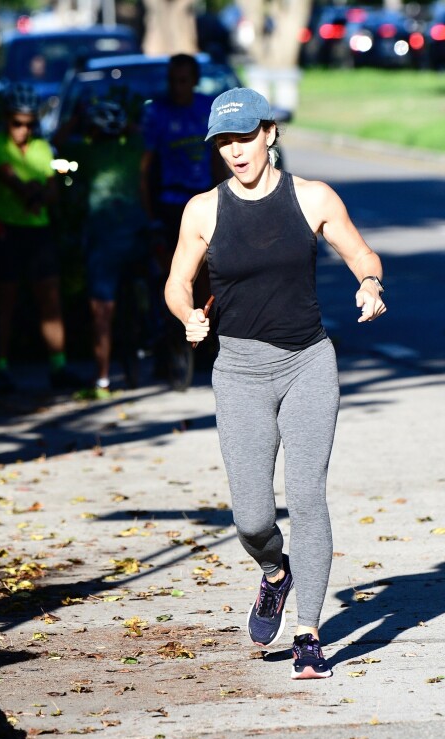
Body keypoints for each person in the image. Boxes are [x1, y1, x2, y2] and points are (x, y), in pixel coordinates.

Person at [164, 87, 387, 680]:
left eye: (244, 137)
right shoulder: (203, 210)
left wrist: (369, 284)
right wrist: (188, 314)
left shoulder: (312, 198)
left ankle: (308, 633)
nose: (234, 151)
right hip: (238, 370)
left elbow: (362, 254)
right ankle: (274, 574)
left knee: (308, 495)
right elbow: (176, 281)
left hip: (308, 362)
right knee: (252, 518)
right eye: (224, 142)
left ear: (269, 134)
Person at [0, 82, 83, 394]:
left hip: (39, 231)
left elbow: (52, 190)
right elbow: (8, 177)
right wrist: (30, 191)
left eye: (30, 123)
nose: (24, 129)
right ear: (6, 119)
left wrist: (37, 194)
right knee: (4, 301)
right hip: (7, 230)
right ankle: (1, 367)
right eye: (17, 123)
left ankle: (58, 365)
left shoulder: (42, 148)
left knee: (49, 299)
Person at [70, 100, 147, 392]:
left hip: (104, 239)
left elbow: (57, 144)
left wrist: (77, 118)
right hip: (136, 233)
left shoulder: (87, 152)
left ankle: (102, 376)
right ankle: (153, 325)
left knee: (102, 308)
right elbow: (140, 132)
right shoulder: (134, 147)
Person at [140, 53, 228, 288]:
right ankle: (174, 323)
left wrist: (226, 198)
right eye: (173, 81)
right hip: (170, 201)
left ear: (195, 80)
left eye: (183, 81)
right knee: (176, 275)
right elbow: (144, 168)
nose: (177, 88)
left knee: (207, 272)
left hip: (203, 197)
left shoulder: (207, 108)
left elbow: (216, 159)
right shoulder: (157, 112)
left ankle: (204, 322)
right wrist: (150, 217)